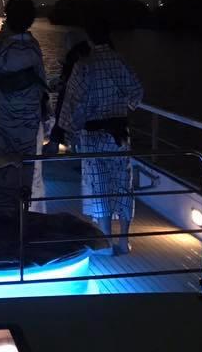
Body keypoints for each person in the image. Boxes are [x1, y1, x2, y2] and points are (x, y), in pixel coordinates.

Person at [59, 14, 143, 254]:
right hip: (120, 132)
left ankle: (106, 241)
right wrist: (123, 102)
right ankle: (124, 241)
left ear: (89, 36)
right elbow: (137, 93)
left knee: (100, 184)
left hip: (93, 133)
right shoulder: (120, 60)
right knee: (123, 184)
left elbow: (72, 102)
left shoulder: (84, 64)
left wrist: (68, 130)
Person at [0, 0, 48, 215]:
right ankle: (20, 225)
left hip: (1, 124)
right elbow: (42, 85)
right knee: (21, 178)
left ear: (7, 16)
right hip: (27, 126)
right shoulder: (34, 47)